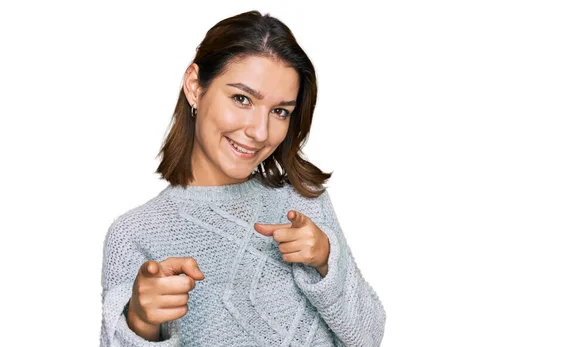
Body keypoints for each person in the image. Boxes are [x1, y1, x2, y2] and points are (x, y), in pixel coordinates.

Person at [100, 10, 386, 347]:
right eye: (242, 99)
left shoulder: (303, 201)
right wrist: (140, 323)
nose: (259, 131)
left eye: (280, 111)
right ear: (195, 87)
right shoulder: (135, 234)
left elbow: (368, 337)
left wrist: (326, 260)